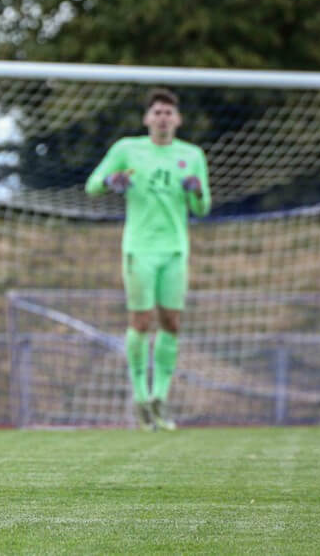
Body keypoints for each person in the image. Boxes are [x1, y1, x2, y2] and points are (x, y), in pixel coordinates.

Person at [84, 88, 210, 431]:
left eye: (169, 113)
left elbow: (202, 207)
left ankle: (160, 398)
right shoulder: (127, 149)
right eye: (157, 112)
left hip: (175, 250)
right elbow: (93, 185)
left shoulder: (192, 155)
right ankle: (140, 397)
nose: (163, 118)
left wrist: (197, 191)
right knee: (140, 322)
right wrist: (112, 180)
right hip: (139, 249)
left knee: (171, 322)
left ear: (178, 120)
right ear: (147, 118)